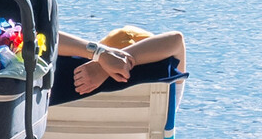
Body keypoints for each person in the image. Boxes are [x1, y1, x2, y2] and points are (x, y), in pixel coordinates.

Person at [50, 25, 187, 105]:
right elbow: (176, 41)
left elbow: (42, 38)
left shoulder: (73, 74)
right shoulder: (161, 86)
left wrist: (100, 55)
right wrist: (108, 65)